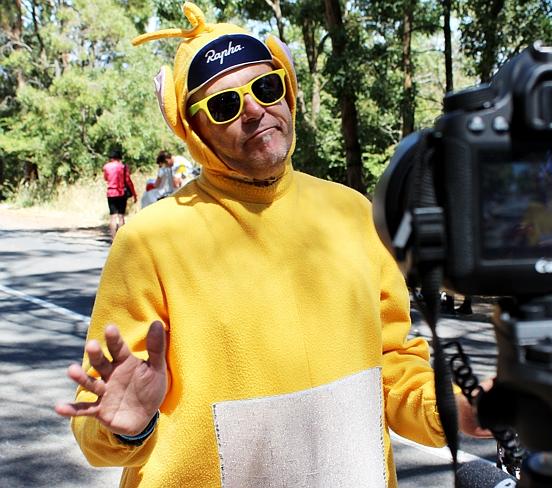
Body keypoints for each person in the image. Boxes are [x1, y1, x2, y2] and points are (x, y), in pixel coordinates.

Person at [55, 3, 490, 487]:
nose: (256, 110)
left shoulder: (353, 213)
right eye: (224, 105)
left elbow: (392, 370)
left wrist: (457, 408)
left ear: (289, 91)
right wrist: (130, 430)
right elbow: (103, 416)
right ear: (193, 130)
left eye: (267, 87)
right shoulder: (148, 240)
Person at [102, 148, 137, 240]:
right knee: (121, 216)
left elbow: (105, 178)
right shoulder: (123, 167)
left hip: (111, 193)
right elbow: (128, 181)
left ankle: (113, 238)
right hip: (121, 193)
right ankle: (121, 239)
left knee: (113, 216)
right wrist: (134, 194)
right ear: (119, 157)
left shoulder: (106, 167)